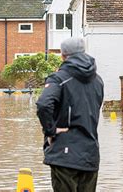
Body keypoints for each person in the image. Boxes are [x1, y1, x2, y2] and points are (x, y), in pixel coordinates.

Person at [36, 37, 104, 191]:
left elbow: (43, 104)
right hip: (90, 153)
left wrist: (50, 131)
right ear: (84, 52)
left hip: (64, 154)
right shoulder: (98, 81)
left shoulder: (59, 78)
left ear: (63, 56)